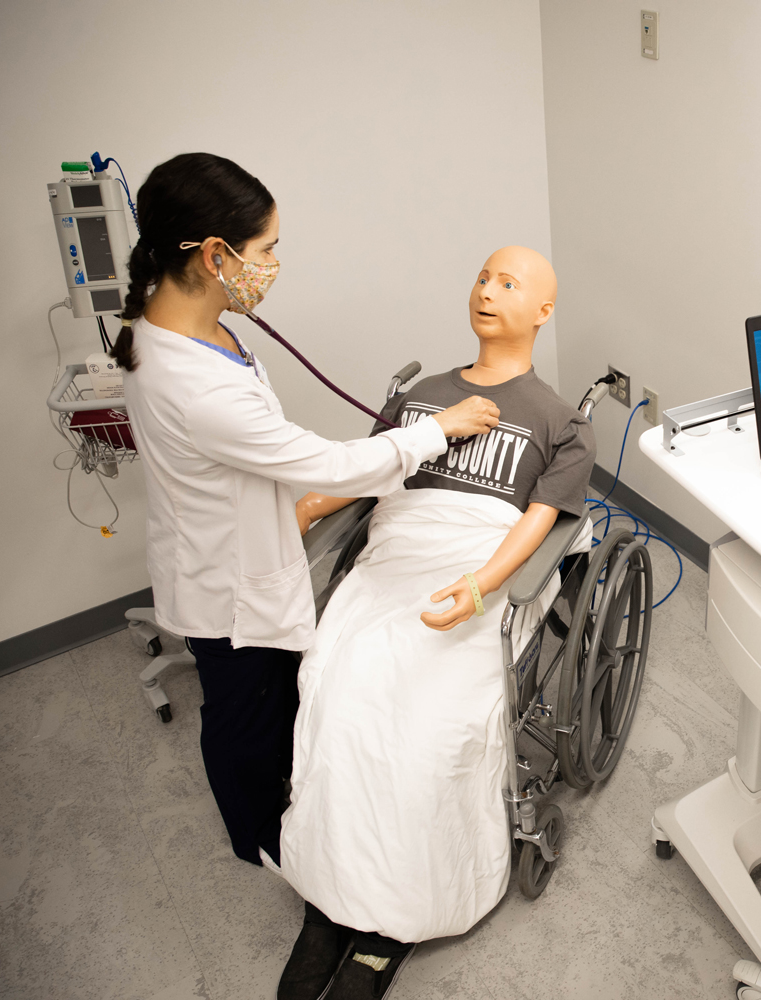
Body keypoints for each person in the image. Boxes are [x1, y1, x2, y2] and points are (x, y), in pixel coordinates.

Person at [115, 153, 500, 870]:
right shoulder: (195, 385)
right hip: (226, 587)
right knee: (243, 718)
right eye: (265, 250)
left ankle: (289, 796)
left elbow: (257, 456)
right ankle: (258, 838)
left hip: (226, 536)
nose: (273, 265)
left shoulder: (175, 320)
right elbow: (328, 464)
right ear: (215, 255)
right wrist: (436, 431)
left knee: (272, 698)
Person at [273, 247, 595, 1000]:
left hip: (475, 565)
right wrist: (308, 508)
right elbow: (372, 465)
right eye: (483, 278)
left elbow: (541, 518)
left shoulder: (560, 421)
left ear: (543, 311)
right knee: (336, 692)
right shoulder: (422, 395)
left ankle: (394, 920)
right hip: (397, 554)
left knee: (429, 726)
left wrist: (482, 585)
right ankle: (329, 893)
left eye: (509, 283)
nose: (488, 291)